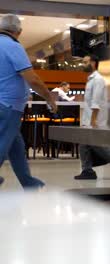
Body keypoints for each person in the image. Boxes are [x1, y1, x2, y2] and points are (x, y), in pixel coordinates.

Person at [0, 14, 57, 188]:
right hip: (9, 105)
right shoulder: (12, 46)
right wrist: (49, 98)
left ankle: (29, 182)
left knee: (16, 146)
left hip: (4, 104)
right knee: (3, 143)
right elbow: (32, 79)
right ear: (19, 31)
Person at [74, 55, 110, 180]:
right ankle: (88, 170)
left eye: (85, 62)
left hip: (95, 119)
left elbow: (96, 101)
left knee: (95, 144)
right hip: (89, 119)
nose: (83, 64)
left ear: (93, 63)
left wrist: (93, 120)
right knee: (85, 144)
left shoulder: (98, 79)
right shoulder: (91, 79)